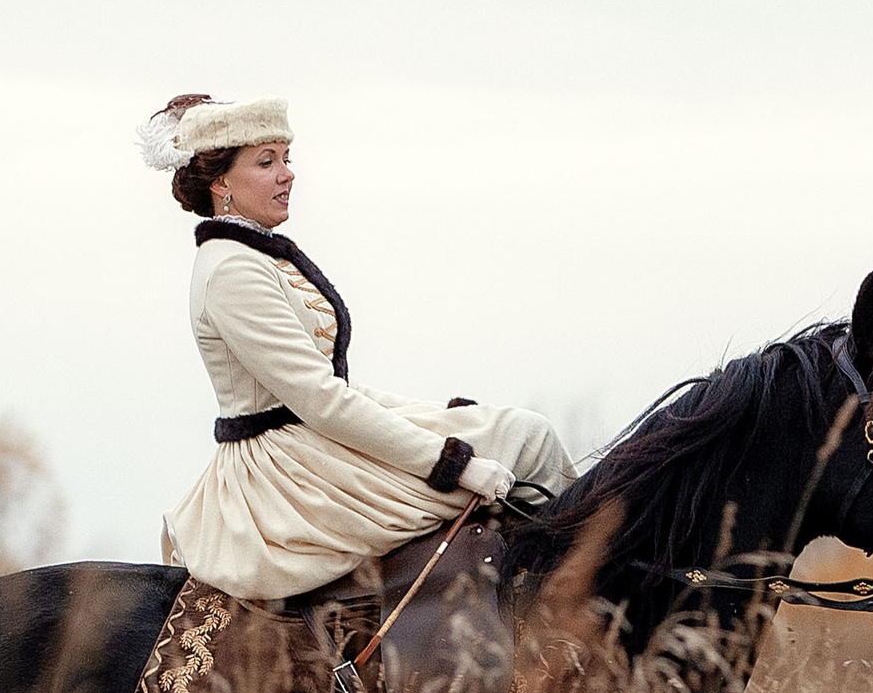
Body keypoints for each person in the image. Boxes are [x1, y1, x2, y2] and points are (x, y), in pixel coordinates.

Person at [140, 93, 574, 603]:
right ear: (220, 183)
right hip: (289, 472)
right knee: (525, 440)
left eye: (286, 158)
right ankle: (586, 614)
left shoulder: (253, 254)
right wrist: (451, 462)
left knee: (522, 434)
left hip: (313, 439)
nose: (288, 175)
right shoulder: (231, 270)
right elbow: (320, 400)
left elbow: (331, 391)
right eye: (266, 162)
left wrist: (433, 418)